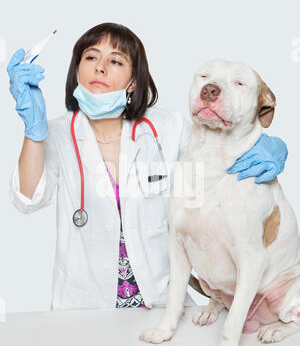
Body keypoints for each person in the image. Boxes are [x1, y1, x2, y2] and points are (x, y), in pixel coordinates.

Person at [7, 23, 288, 311]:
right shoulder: (55, 133)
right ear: (77, 70)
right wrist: (33, 132)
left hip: (163, 301)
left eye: (115, 61)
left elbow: (221, 161)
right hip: (83, 306)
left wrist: (267, 143)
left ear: (133, 82)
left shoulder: (168, 128)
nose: (100, 67)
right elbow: (27, 199)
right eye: (91, 57)